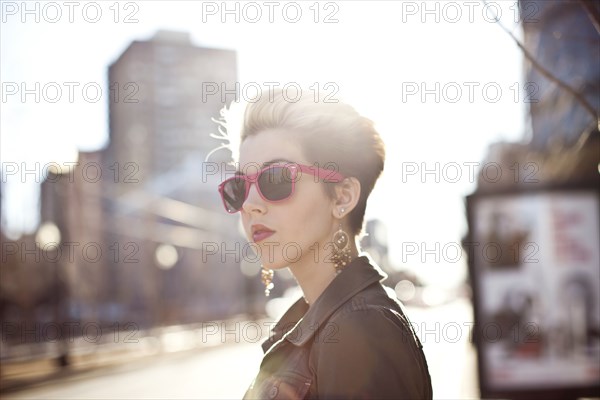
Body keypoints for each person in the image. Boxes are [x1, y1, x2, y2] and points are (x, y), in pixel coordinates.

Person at [215, 88, 432, 399]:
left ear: (342, 196)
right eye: (239, 186)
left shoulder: (359, 328)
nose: (249, 204)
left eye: (274, 178)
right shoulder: (315, 321)